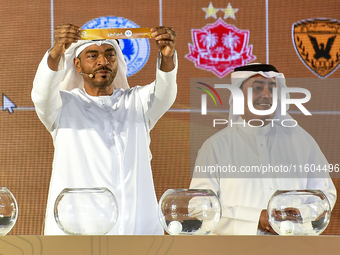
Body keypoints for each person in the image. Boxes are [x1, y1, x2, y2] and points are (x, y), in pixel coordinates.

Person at [32, 24, 177, 235]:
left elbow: (165, 93)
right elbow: (41, 95)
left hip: (136, 229)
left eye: (110, 55)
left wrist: (167, 56)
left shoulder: (136, 102)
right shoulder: (63, 107)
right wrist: (55, 53)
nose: (103, 62)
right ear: (77, 65)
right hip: (78, 232)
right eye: (92, 56)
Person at [190, 64, 336, 235]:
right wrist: (256, 219)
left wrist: (300, 214)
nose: (266, 95)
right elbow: (199, 207)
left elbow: (325, 195)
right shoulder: (216, 146)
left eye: (272, 89)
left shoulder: (302, 142)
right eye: (258, 88)